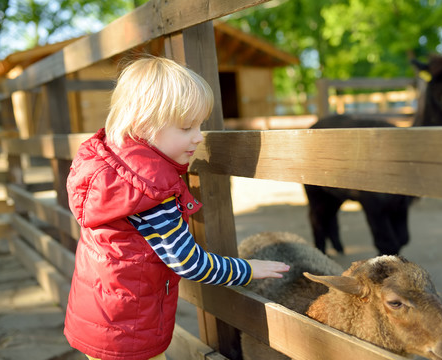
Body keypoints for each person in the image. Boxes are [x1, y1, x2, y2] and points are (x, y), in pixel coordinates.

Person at [63, 55, 290, 360]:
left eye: (200, 125)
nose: (199, 137)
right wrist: (247, 269)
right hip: (129, 332)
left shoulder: (112, 167)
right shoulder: (150, 190)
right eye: (186, 127)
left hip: (100, 316)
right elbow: (188, 262)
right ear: (143, 125)